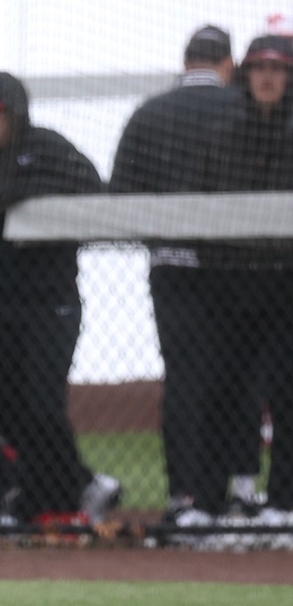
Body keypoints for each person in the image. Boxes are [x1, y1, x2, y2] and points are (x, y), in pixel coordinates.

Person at [0, 73, 119, 530]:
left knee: (42, 403)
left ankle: (56, 498)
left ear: (13, 113)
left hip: (51, 303)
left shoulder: (49, 148)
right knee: (0, 405)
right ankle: (66, 490)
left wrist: (24, 193)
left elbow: (94, 192)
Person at [109, 25, 240, 516]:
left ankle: (183, 496)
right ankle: (229, 495)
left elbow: (122, 194)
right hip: (239, 271)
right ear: (227, 63)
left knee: (185, 378)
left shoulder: (149, 113)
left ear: (185, 61)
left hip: (172, 267)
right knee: (235, 380)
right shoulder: (242, 109)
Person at [195, 32, 293, 513]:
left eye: (278, 68)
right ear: (245, 74)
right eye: (258, 68)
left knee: (287, 396)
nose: (268, 77)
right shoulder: (223, 137)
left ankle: (284, 504)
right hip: (232, 289)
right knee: (226, 391)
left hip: (287, 287)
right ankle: (220, 501)